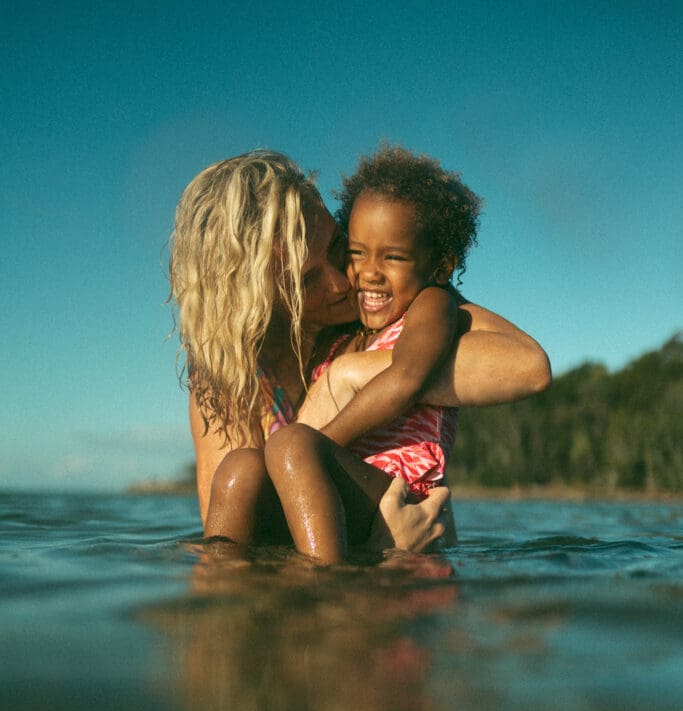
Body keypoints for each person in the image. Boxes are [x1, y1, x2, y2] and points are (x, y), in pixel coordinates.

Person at [168, 151, 550, 554]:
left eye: (338, 248)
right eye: (307, 279)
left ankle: (330, 592)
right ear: (256, 297)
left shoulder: (386, 307)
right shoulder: (229, 372)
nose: (341, 284)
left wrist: (348, 373)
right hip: (321, 553)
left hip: (397, 524)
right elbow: (241, 529)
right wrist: (376, 548)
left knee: (291, 448)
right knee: (240, 471)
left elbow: (528, 367)